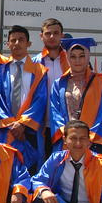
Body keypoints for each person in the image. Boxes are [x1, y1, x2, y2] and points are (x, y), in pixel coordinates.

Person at [0, 25, 48, 170]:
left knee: (31, 169)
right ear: (8, 44)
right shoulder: (0, 71)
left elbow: (40, 99)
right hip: (8, 130)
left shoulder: (39, 71)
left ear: (28, 43)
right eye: (13, 40)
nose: (17, 43)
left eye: (21, 40)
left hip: (30, 130)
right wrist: (12, 125)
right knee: (7, 169)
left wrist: (23, 124)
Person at [49, 40, 102, 150]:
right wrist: (68, 136)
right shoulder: (59, 84)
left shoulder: (101, 82)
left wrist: (89, 139)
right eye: (73, 56)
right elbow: (55, 113)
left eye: (82, 56)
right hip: (67, 143)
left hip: (93, 144)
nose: (77, 60)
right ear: (67, 57)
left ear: (88, 56)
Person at [35, 18, 68, 156]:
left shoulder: (71, 61)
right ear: (41, 36)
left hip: (65, 124)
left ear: (62, 36)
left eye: (56, 33)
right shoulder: (35, 63)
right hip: (40, 124)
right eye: (48, 33)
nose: (52, 36)